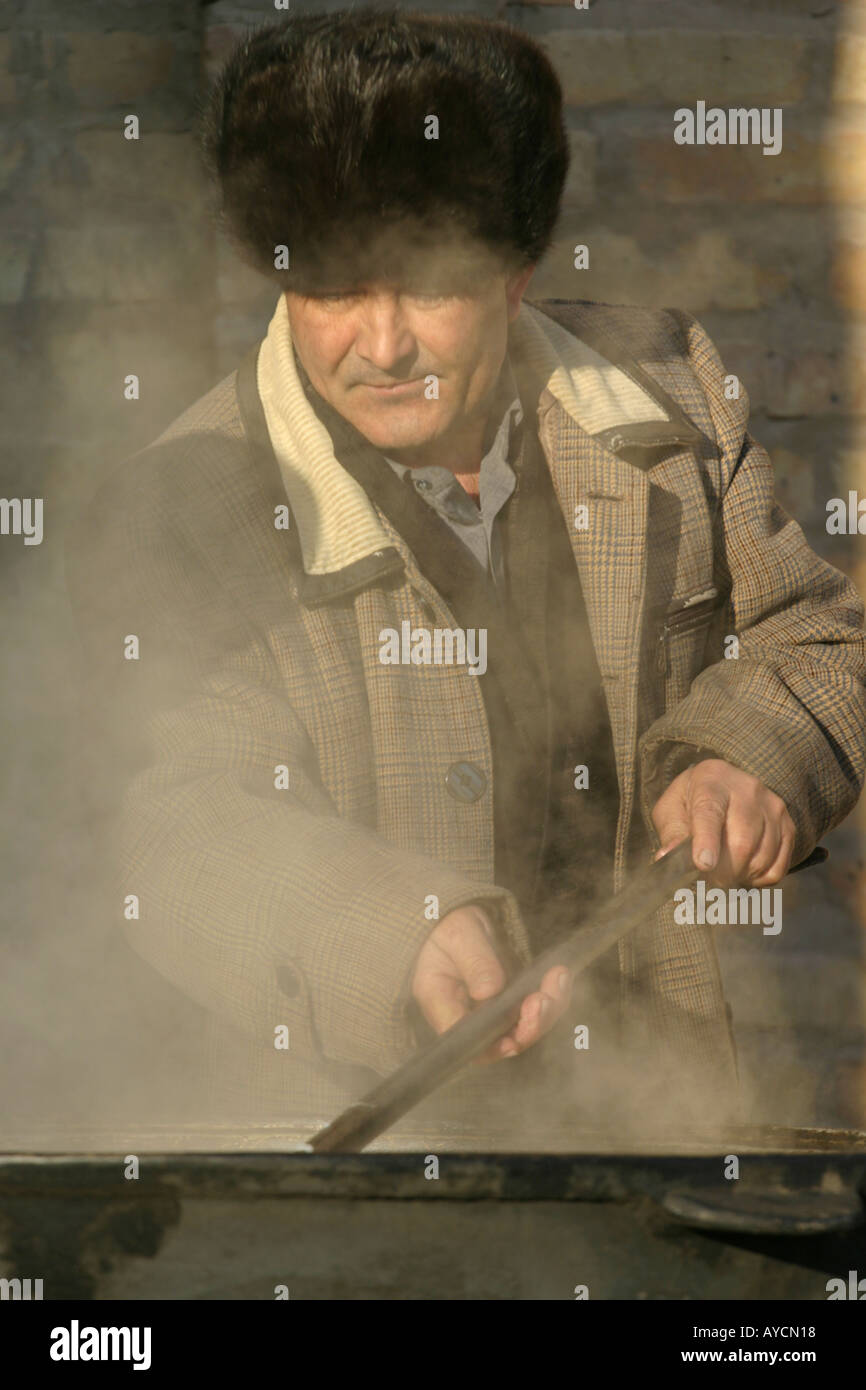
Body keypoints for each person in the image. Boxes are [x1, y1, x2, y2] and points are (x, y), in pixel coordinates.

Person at [66, 10, 866, 1137]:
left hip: (651, 1117)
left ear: (513, 274)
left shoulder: (670, 396)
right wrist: (391, 930)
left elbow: (816, 640)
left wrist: (750, 752)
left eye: (424, 285)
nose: (380, 345)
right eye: (336, 292)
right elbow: (174, 818)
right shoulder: (189, 508)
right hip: (358, 1152)